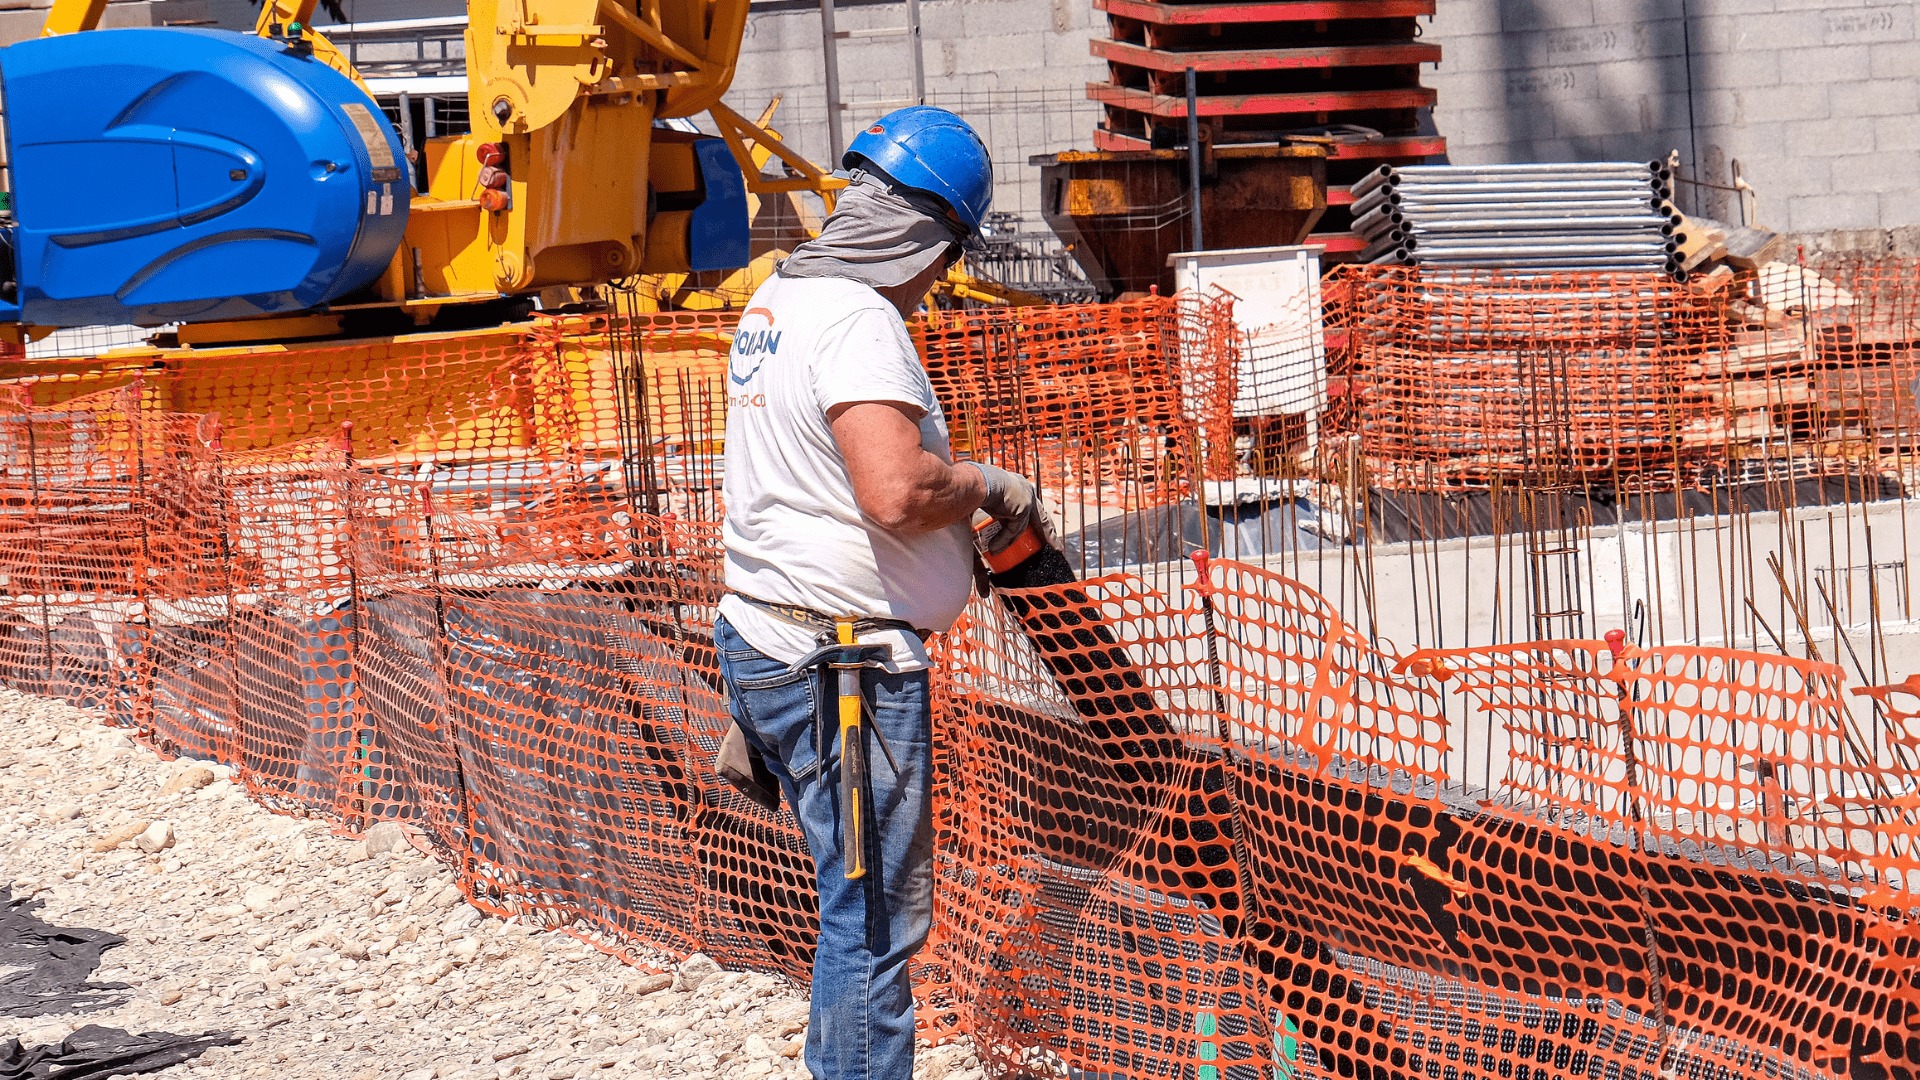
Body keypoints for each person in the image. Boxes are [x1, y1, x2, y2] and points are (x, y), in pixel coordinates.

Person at [710, 106, 1048, 1079]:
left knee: (847, 909)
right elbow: (895, 492)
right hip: (842, 670)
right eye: (946, 256)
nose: (940, 281)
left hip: (774, 641)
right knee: (875, 923)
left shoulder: (780, 299)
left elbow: (796, 480)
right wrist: (982, 488)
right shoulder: (859, 320)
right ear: (926, 236)